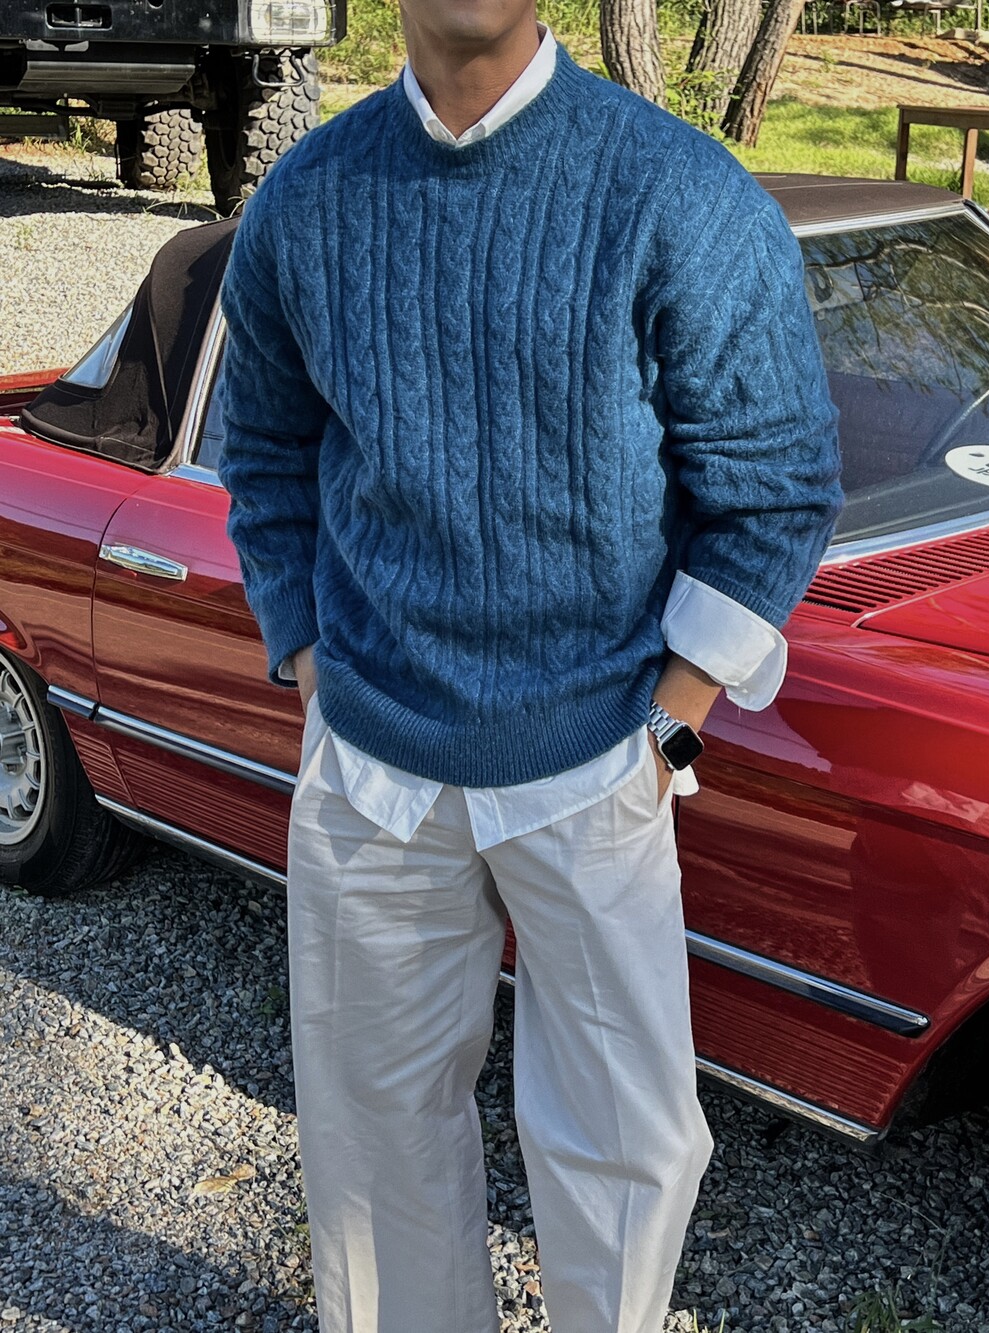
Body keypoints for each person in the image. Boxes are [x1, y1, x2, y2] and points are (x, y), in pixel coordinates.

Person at [217, 0, 842, 1325]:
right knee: (371, 1146)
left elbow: (777, 481)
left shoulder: (675, 193)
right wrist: (312, 663)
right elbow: (265, 454)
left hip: (599, 758)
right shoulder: (304, 205)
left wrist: (671, 728)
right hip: (370, 769)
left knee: (628, 1151)